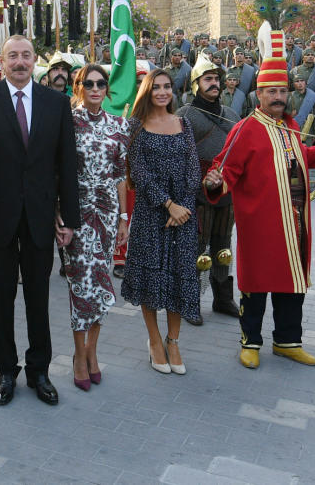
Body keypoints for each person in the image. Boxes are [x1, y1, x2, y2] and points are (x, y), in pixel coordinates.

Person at [203, 28, 315, 370]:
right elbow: (225, 169)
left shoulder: (289, 126)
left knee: (292, 284)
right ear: (258, 95)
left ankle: (288, 341)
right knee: (257, 284)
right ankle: (251, 342)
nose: (278, 97)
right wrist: (215, 181)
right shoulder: (246, 128)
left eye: (282, 91)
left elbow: (302, 156)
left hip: (295, 223)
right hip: (260, 225)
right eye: (270, 91)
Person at [0, 34, 79, 406]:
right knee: (2, 297)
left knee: (38, 296)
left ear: (35, 62)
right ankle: (5, 371)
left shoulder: (56, 103)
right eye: (12, 56)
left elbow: (66, 164)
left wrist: (69, 219)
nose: (19, 62)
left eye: (25, 56)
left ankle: (39, 370)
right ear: (2, 61)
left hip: (40, 217)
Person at [122, 68, 201, 374]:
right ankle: (154, 340)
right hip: (151, 213)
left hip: (183, 214)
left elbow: (194, 168)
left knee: (179, 277)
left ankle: (174, 341)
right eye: (156, 87)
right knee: (150, 279)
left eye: (167, 87)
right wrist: (168, 205)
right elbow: (139, 173)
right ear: (147, 91)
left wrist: (181, 207)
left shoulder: (184, 123)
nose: (163, 92)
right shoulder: (137, 126)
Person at [64, 63, 129, 390]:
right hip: (76, 212)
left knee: (101, 282)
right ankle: (79, 354)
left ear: (107, 88)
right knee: (80, 284)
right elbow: (56, 172)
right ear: (78, 87)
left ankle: (92, 352)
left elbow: (120, 175)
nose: (94, 88)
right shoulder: (67, 123)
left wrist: (123, 218)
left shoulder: (118, 125)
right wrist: (58, 217)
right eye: (87, 83)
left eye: (100, 83)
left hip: (106, 213)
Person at [177, 57, 241, 319]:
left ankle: (223, 299)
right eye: (208, 79)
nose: (214, 84)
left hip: (227, 190)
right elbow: (177, 156)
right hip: (196, 191)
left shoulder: (232, 114)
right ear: (196, 85)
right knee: (197, 247)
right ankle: (189, 302)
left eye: (216, 79)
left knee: (223, 244)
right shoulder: (184, 116)